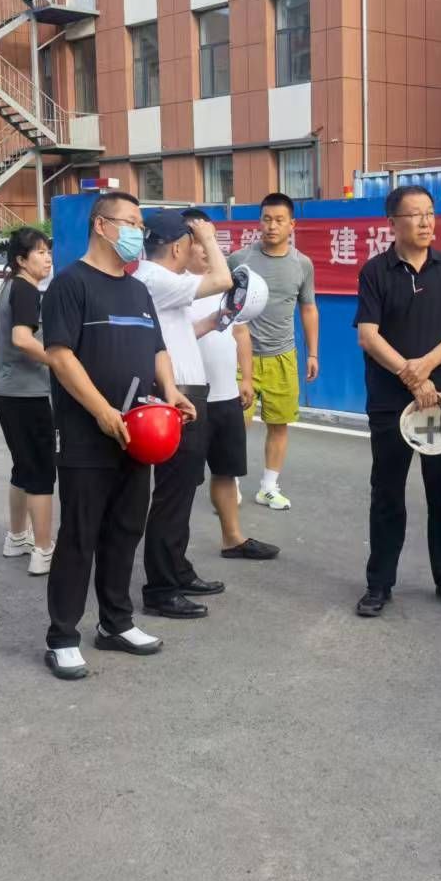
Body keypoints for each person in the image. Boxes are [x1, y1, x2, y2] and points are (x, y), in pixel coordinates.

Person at [40, 192, 195, 679]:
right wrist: (102, 411)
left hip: (139, 433)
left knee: (126, 528)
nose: (136, 233)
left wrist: (171, 392)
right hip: (87, 434)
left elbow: (158, 349)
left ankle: (116, 623)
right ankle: (62, 637)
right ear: (101, 225)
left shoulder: (137, 291)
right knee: (80, 534)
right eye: (128, 222)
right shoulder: (70, 285)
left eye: (139, 225)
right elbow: (61, 356)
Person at [353, 185, 441, 618]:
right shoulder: (375, 271)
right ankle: (379, 584)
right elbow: (368, 336)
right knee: (387, 492)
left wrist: (425, 367)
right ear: (393, 223)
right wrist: (410, 376)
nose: (426, 222)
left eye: (430, 213)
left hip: (440, 402)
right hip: (391, 402)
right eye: (415, 215)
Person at [133, 208, 233, 618]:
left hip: (186, 393)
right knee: (172, 495)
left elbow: (174, 334)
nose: (199, 250)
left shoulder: (157, 283)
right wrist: (208, 236)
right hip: (176, 396)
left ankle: (177, 569)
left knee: (181, 490)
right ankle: (161, 588)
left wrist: (212, 321)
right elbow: (223, 279)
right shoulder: (156, 278)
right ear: (178, 247)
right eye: (192, 244)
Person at [186, 211, 279, 563]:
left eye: (212, 241)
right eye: (201, 242)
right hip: (188, 398)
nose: (208, 250)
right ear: (182, 246)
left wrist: (246, 378)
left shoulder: (225, 285)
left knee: (226, 470)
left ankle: (233, 539)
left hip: (225, 396)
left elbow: (240, 331)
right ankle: (172, 553)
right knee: (182, 479)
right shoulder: (175, 288)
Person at [229, 193, 318, 510]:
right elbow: (221, 301)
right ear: (259, 222)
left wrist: (313, 353)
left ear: (292, 224)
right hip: (241, 357)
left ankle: (268, 487)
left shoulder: (302, 264)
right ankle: (230, 483)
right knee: (235, 424)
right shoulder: (239, 260)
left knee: (279, 424)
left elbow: (308, 308)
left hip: (282, 356)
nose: (272, 226)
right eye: (266, 219)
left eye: (279, 220)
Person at [0, 226, 56, 575]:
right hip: (27, 394)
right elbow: (22, 338)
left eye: (48, 251)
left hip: (6, 392)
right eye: (40, 253)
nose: (47, 258)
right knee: (41, 472)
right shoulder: (26, 290)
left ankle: (17, 537)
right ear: (21, 259)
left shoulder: (10, 287)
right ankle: (43, 549)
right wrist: (58, 361)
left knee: (23, 467)